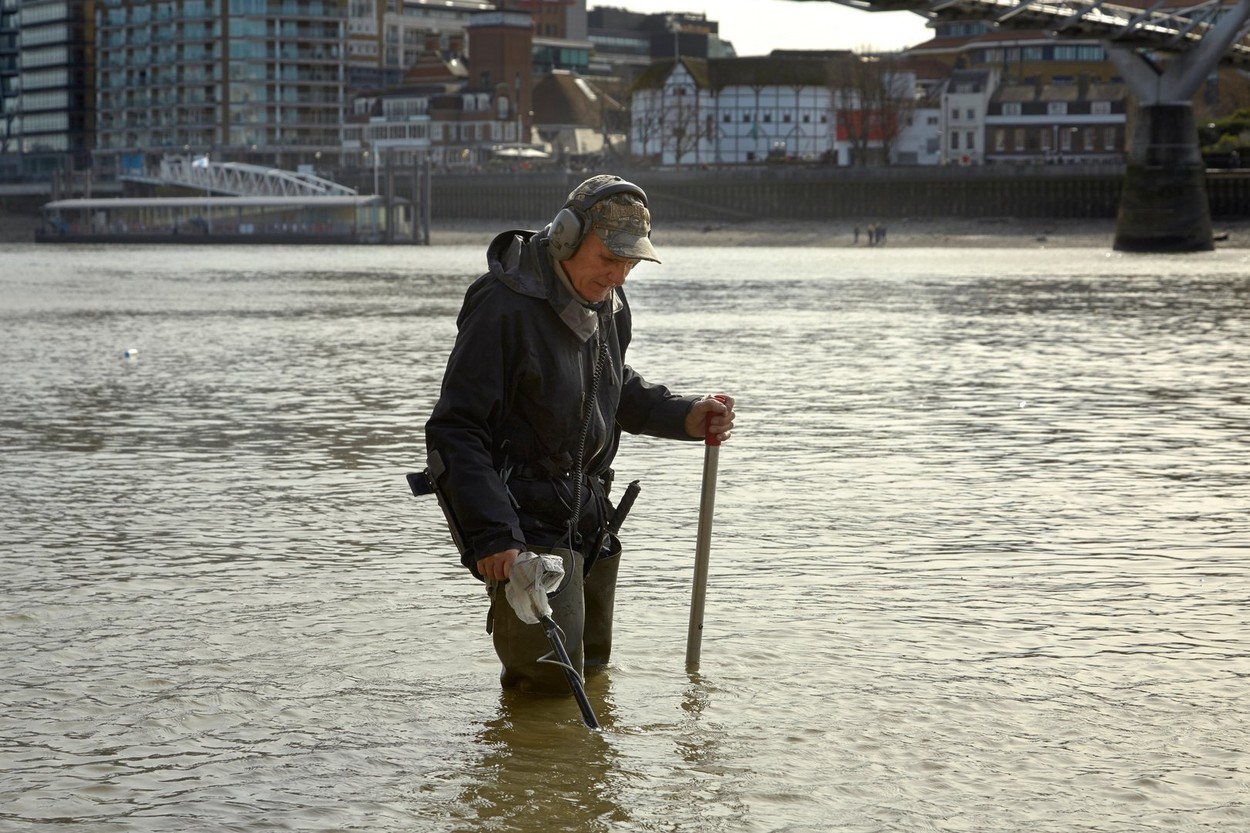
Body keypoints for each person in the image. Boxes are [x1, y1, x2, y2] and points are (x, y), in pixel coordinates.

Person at [424, 174, 736, 694]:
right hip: (524, 530)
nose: (617, 275)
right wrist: (494, 535)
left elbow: (612, 388)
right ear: (566, 238)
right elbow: (455, 431)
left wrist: (684, 415)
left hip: (592, 522)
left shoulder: (610, 304)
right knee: (545, 694)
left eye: (629, 263)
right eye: (607, 260)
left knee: (592, 678)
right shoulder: (503, 306)